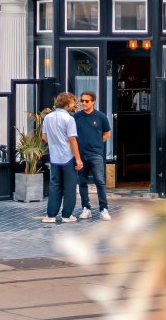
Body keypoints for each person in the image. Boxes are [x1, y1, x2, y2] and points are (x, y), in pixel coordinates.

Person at [41, 92, 84, 224]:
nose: (74, 105)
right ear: (67, 104)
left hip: (54, 157)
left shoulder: (48, 117)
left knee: (55, 185)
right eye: (72, 103)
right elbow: (72, 140)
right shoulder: (69, 119)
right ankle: (66, 215)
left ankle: (51, 215)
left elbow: (44, 137)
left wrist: (55, 143)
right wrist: (78, 159)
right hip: (68, 156)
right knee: (69, 187)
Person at [73, 91, 113, 221]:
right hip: (80, 155)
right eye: (82, 101)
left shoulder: (101, 117)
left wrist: (97, 142)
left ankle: (103, 209)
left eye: (86, 101)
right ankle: (86, 208)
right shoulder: (76, 117)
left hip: (96, 154)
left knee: (100, 181)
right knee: (82, 182)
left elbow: (107, 133)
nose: (83, 103)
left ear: (93, 102)